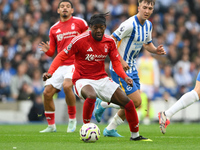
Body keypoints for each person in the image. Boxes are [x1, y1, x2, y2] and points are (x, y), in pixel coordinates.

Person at [43, 12, 151, 141]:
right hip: (81, 79)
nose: (99, 30)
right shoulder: (79, 40)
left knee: (128, 103)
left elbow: (116, 63)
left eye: (102, 27)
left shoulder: (109, 41)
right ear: (90, 27)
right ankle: (86, 128)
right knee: (91, 95)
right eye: (96, 28)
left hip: (101, 79)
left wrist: (124, 77)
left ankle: (135, 136)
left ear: (105, 27)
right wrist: (50, 72)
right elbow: (61, 55)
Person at [94, 0, 166, 137]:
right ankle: (103, 105)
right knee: (135, 101)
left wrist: (156, 50)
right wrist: (120, 60)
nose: (147, 10)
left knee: (133, 103)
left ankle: (108, 123)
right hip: (119, 68)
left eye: (150, 8)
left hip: (132, 68)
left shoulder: (149, 25)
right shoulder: (128, 24)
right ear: (138, 7)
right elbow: (111, 40)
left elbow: (147, 44)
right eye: (144, 7)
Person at [39, 0, 88, 133]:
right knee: (47, 93)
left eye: (67, 6)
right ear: (58, 10)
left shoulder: (80, 22)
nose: (65, 8)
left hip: (75, 62)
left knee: (67, 86)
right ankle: (51, 126)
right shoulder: (54, 28)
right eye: (62, 6)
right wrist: (48, 50)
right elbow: (52, 53)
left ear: (72, 10)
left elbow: (89, 38)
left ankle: (72, 120)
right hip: (60, 64)